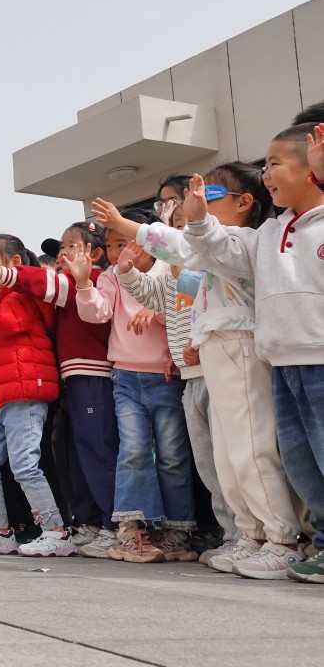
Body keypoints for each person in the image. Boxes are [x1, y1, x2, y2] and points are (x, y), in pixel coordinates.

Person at [93, 164, 296, 575]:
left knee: (252, 447)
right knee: (226, 453)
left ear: (244, 203)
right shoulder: (206, 251)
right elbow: (178, 259)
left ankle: (282, 538)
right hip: (214, 349)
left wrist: (127, 224)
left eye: (210, 193)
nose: (194, 204)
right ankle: (250, 533)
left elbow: (193, 242)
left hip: (238, 344)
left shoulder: (243, 240)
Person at [182, 123, 324, 583]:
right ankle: (317, 542)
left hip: (319, 357)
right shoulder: (269, 233)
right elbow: (223, 249)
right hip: (282, 360)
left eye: (276, 163)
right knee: (301, 460)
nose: (267, 173)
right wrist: (201, 219)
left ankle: (286, 538)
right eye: (264, 165)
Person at [71, 208, 196, 563]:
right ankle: (133, 530)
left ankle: (176, 532)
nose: (116, 253)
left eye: (122, 243)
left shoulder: (168, 267)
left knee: (172, 456)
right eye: (109, 245)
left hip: (166, 377)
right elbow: (97, 313)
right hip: (124, 377)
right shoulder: (112, 276)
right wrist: (83, 283)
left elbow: (186, 311)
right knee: (134, 452)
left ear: (146, 239)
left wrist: (155, 311)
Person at [0, 223, 120, 556]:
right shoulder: (70, 284)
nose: (63, 254)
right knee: (76, 456)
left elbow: (45, 282)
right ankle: (90, 521)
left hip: (93, 376)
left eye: (71, 246)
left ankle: (115, 525)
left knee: (96, 451)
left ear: (95, 254)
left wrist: (8, 274)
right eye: (60, 249)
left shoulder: (89, 282)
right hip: (71, 381)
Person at [0, 236, 70, 556]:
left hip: (24, 392)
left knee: (24, 465)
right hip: (0, 397)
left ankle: (56, 531)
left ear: (16, 265)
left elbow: (3, 323)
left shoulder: (23, 296)